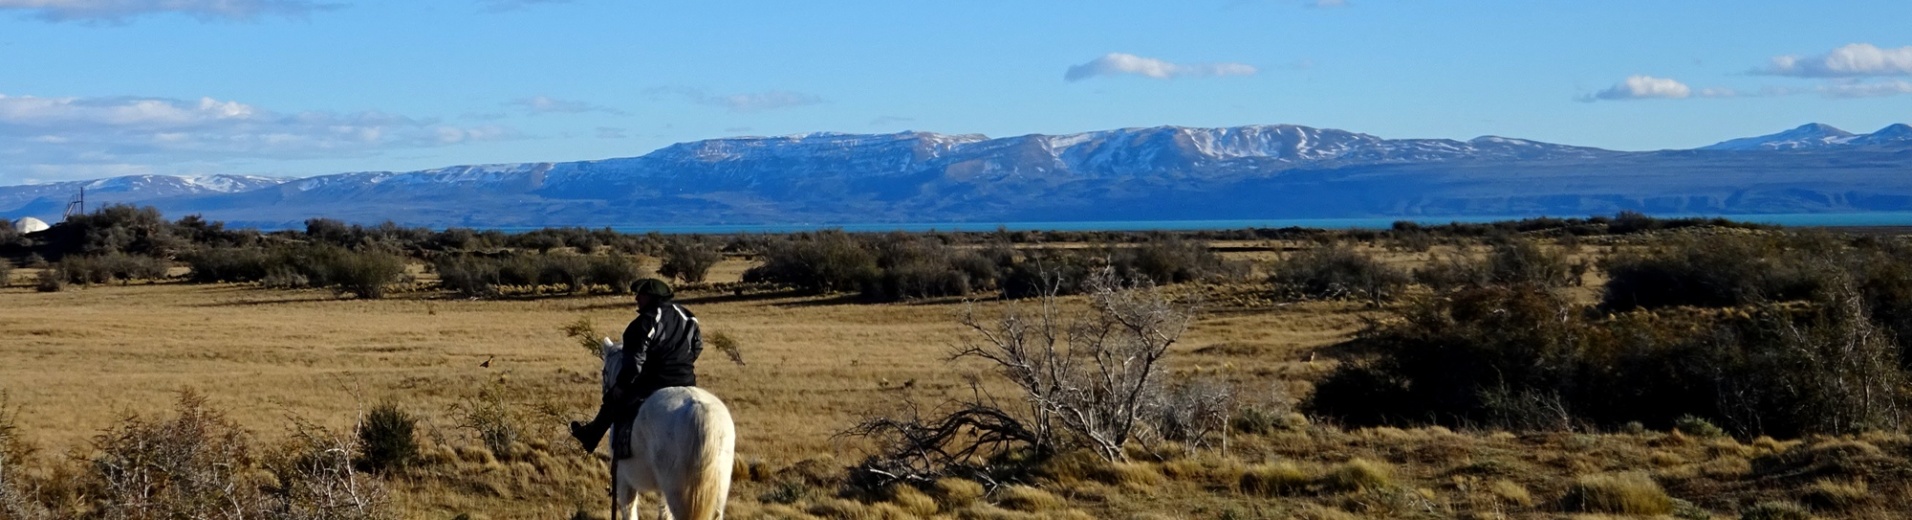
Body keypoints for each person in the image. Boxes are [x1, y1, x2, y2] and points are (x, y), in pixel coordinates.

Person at [570, 278, 704, 452]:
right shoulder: (689, 317)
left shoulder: (644, 322)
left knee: (613, 399)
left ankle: (591, 436)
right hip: (687, 381)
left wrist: (621, 385)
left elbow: (634, 363)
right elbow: (697, 347)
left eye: (641, 294)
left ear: (651, 297)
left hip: (654, 383)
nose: (636, 298)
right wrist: (680, 364)